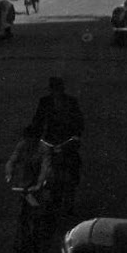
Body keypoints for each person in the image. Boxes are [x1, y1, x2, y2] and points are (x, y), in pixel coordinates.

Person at [27, 76, 84, 213]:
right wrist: (36, 137)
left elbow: (78, 122)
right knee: (42, 165)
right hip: (50, 140)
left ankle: (67, 200)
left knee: (71, 167)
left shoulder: (71, 102)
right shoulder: (45, 102)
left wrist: (74, 137)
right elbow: (38, 121)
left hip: (67, 140)